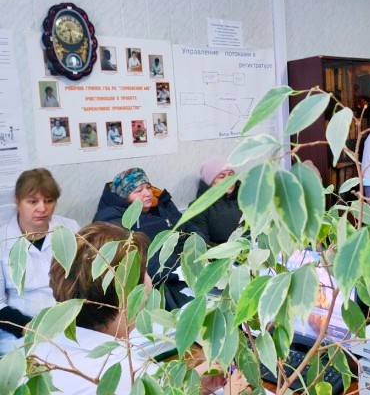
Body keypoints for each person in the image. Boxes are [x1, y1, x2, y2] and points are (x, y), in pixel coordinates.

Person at [33, 222, 248, 394]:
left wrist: (188, 386)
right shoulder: (127, 373)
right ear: (127, 295)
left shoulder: (40, 346)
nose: (150, 280)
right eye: (145, 272)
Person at [93, 168, 209, 310]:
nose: (148, 193)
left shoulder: (162, 205)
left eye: (148, 187)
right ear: (124, 197)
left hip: (190, 267)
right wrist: (185, 267)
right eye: (138, 191)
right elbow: (139, 261)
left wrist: (200, 249)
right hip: (160, 282)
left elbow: (188, 226)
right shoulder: (112, 221)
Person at [0, 168, 79, 354]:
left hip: (70, 322)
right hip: (20, 332)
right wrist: (28, 327)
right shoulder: (3, 240)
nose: (42, 208)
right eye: (33, 201)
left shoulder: (70, 229)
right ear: (17, 201)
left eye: (49, 201)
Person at [189, 158, 242, 246]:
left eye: (231, 174)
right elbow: (202, 245)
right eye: (222, 177)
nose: (228, 180)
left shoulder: (244, 199)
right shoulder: (198, 208)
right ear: (210, 181)